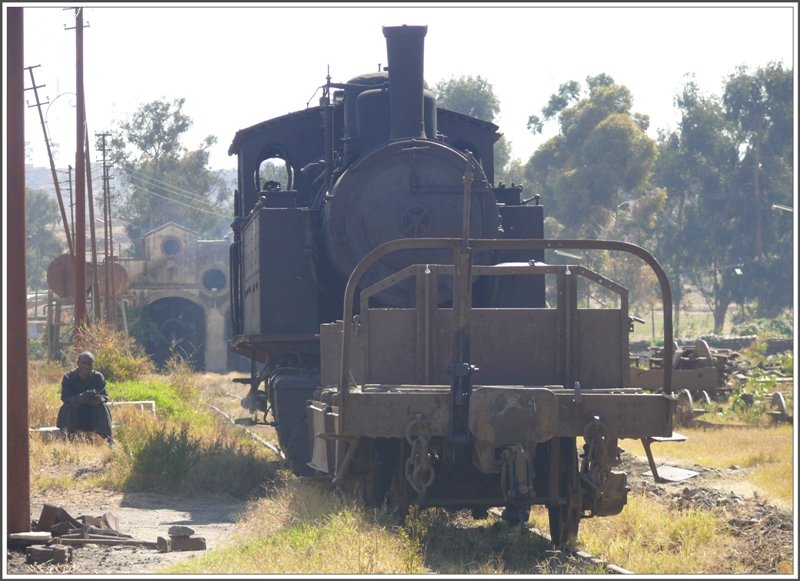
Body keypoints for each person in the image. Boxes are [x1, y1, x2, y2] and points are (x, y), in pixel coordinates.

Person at [56, 351, 114, 444]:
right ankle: (66, 438)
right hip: (75, 416)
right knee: (68, 407)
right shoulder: (68, 377)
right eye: (83, 363)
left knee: (102, 407)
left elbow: (105, 397)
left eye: (89, 364)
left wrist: (95, 399)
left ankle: (109, 440)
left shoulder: (98, 377)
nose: (86, 366)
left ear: (92, 365)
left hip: (91, 416)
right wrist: (80, 398)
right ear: (78, 363)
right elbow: (65, 398)